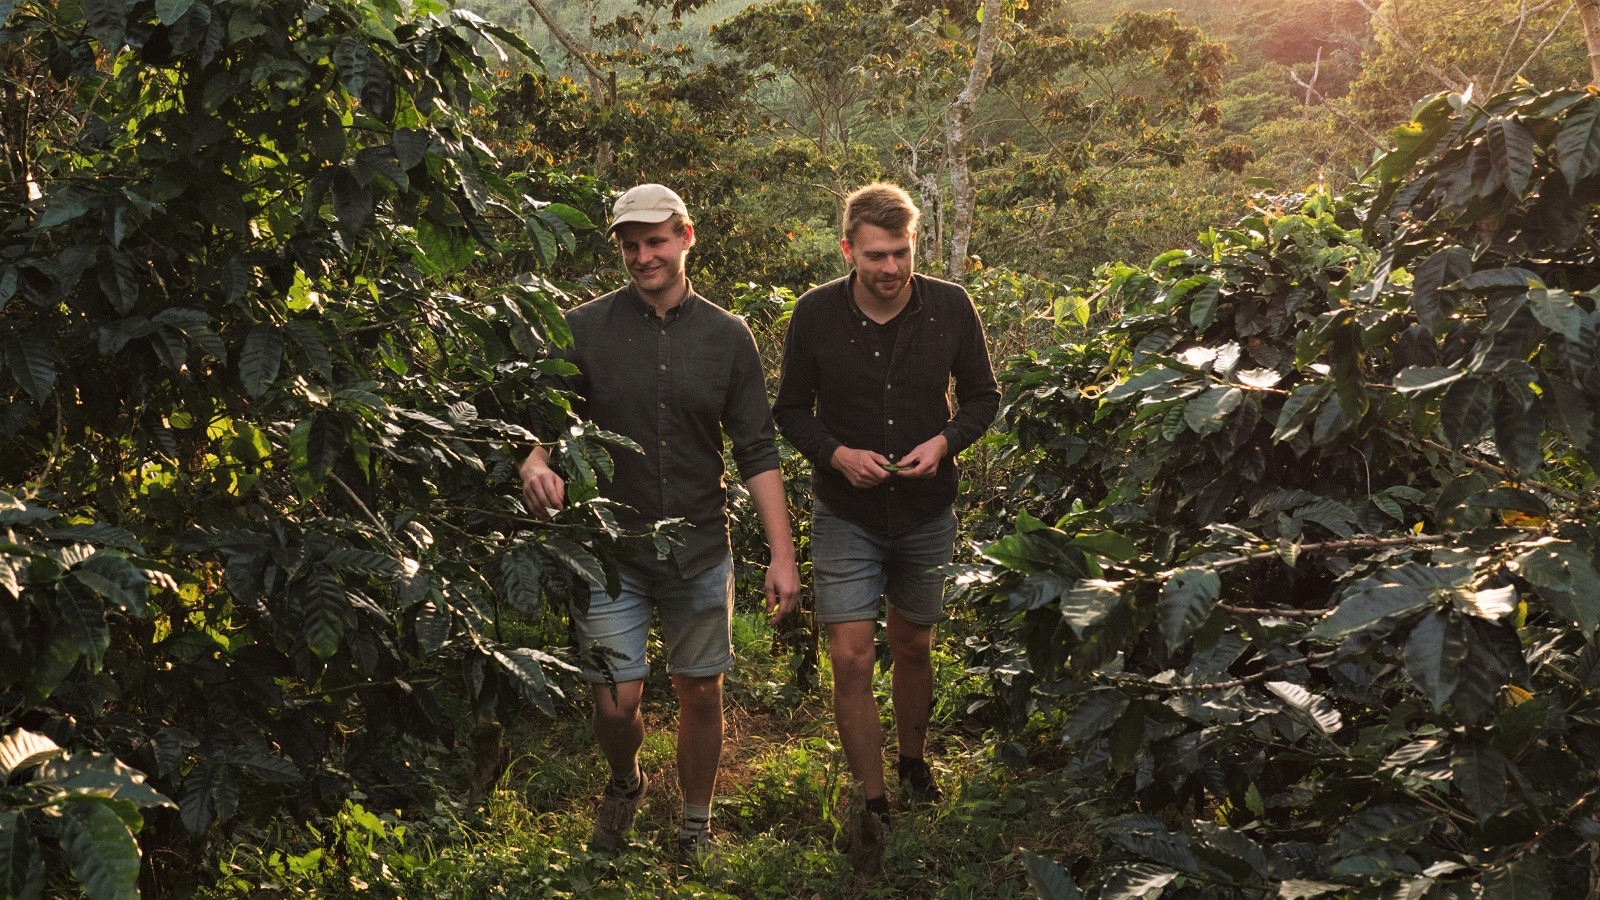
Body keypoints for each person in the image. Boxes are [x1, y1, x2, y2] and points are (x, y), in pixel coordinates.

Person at [519, 184, 801, 861]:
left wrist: (783, 555)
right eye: (631, 245)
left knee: (701, 692)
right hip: (611, 546)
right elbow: (548, 422)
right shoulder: (582, 327)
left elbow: (757, 450)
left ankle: (695, 825)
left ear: (686, 237)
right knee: (615, 701)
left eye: (656, 241)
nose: (644, 256)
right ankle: (626, 782)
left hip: (700, 546)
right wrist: (534, 459)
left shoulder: (728, 336)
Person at [772, 182, 998, 871]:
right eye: (875, 256)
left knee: (912, 643)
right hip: (847, 510)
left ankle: (912, 762)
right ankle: (873, 803)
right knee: (849, 655)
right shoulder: (815, 314)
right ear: (849, 250)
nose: (891, 269)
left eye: (900, 253)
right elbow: (790, 410)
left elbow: (984, 396)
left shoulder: (951, 307)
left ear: (913, 247)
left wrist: (946, 442)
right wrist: (837, 455)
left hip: (927, 509)